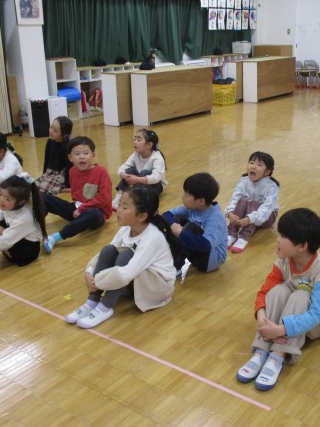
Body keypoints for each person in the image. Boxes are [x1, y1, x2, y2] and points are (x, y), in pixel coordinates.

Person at [236, 208, 320, 391]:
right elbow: (264, 292)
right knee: (278, 291)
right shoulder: (283, 261)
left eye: (283, 236)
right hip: (294, 309)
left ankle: (278, 355)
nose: (277, 239)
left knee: (301, 295)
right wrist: (261, 316)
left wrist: (281, 329)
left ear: (302, 247)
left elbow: (315, 315)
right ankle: (262, 350)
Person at [66, 185, 182, 329]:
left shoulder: (152, 238)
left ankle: (105, 307)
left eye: (125, 207)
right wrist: (89, 272)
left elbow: (127, 273)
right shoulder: (127, 228)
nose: (118, 210)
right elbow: (107, 252)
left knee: (126, 256)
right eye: (119, 204)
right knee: (109, 250)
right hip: (137, 280)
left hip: (157, 287)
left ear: (142, 216)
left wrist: (98, 282)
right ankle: (92, 301)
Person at [42, 136, 112, 252]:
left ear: (93, 155)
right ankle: (35, 227)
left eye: (86, 153)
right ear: (70, 158)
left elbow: (104, 198)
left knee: (93, 214)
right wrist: (79, 208)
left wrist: (82, 209)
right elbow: (76, 196)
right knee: (45, 198)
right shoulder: (72, 171)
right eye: (77, 154)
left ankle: (55, 237)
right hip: (77, 209)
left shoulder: (101, 172)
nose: (82, 156)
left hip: (96, 212)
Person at [162, 172, 227, 280]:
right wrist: (174, 225)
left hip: (209, 261)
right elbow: (166, 215)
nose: (183, 197)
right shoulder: (192, 207)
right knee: (177, 219)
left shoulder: (215, 217)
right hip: (197, 251)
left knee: (190, 227)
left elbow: (206, 245)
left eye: (186, 195)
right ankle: (166, 258)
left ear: (201, 201)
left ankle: (175, 267)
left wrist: (181, 234)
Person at [225, 151, 279, 254]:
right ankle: (231, 234)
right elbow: (234, 199)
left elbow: (266, 210)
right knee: (242, 201)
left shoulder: (271, 187)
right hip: (246, 215)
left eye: (259, 165)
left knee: (253, 204)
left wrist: (249, 219)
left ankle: (244, 238)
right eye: (251, 162)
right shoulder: (243, 181)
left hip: (267, 217)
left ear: (267, 172)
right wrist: (230, 213)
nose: (253, 166)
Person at [112, 129, 167, 210]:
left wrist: (137, 179)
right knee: (129, 171)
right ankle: (119, 197)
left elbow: (156, 178)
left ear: (149, 144)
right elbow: (122, 168)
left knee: (145, 172)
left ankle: (137, 200)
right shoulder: (136, 154)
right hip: (140, 182)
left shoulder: (157, 158)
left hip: (156, 186)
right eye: (134, 139)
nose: (135, 142)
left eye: (138, 140)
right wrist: (123, 174)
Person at [35, 116, 74, 195]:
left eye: (55, 131)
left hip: (61, 173)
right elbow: (46, 159)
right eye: (51, 127)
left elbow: (69, 167)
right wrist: (44, 174)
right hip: (50, 171)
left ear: (64, 135)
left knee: (43, 188)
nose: (51, 131)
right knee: (35, 185)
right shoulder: (50, 141)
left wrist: (68, 184)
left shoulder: (67, 146)